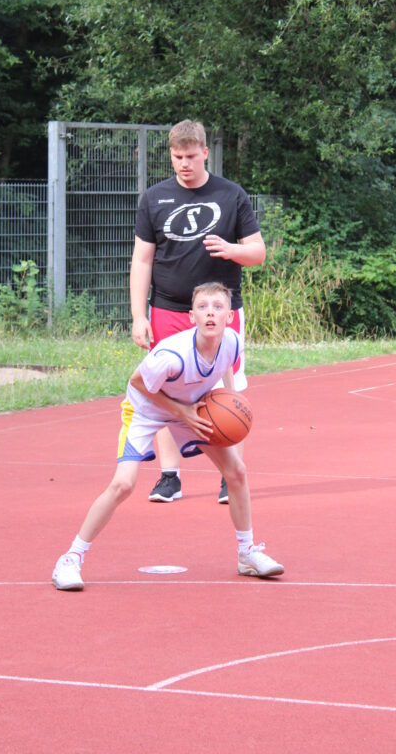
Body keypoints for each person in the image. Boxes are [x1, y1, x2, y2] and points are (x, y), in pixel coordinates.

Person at [52, 283, 284, 589]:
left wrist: (231, 400)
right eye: (202, 307)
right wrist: (180, 411)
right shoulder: (172, 354)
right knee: (123, 485)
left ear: (230, 316)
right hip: (145, 410)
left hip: (190, 407)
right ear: (191, 317)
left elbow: (226, 366)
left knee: (236, 472)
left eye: (217, 307)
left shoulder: (232, 341)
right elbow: (138, 382)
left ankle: (247, 553)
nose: (210, 313)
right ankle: (70, 559)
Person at [130, 119, 266, 504]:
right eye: (177, 157)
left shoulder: (230, 195)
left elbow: (258, 252)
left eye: (191, 156)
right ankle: (169, 478)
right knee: (163, 386)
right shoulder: (154, 198)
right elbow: (142, 260)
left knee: (226, 393)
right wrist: (138, 315)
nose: (184, 164)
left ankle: (229, 475)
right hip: (169, 309)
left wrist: (232, 250)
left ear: (205, 152)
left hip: (221, 311)